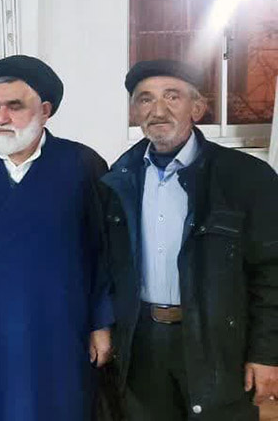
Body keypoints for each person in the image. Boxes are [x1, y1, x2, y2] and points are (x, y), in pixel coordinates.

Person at [0, 54, 112, 420]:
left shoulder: (83, 165)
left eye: (14, 106)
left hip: (58, 328)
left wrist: (102, 323)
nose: (1, 118)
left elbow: (104, 253)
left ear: (45, 110)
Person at [105, 59, 278, 420]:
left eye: (172, 96)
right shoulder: (118, 180)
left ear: (197, 108)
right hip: (143, 342)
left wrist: (266, 353)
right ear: (134, 112)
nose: (158, 110)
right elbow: (106, 266)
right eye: (145, 99)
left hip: (219, 344)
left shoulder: (246, 177)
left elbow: (271, 272)